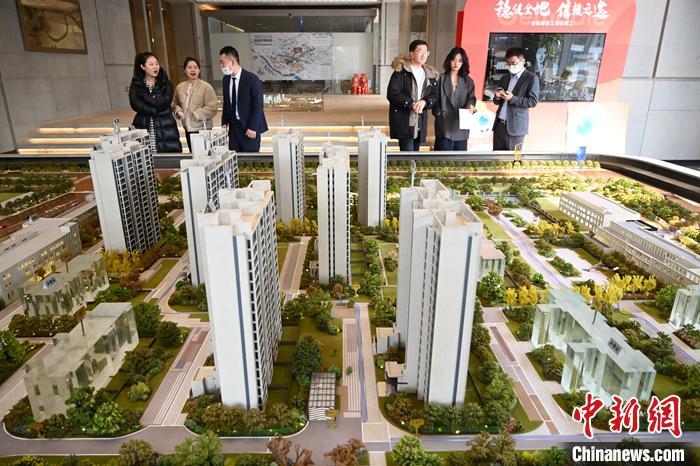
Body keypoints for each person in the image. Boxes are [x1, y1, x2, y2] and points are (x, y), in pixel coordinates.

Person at [387, 39, 439, 152]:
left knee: (416, 153)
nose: (424, 54)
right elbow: (392, 93)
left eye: (426, 52)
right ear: (411, 53)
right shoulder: (401, 72)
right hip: (405, 119)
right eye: (420, 51)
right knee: (407, 155)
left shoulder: (429, 74)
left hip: (420, 120)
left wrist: (425, 102)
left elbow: (435, 95)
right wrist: (411, 103)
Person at [129, 52, 182, 153]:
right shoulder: (136, 84)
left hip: (165, 124)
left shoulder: (165, 83)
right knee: (145, 155)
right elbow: (135, 103)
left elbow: (166, 101)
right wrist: (153, 108)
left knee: (168, 156)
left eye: (156, 63)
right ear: (142, 67)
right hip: (143, 123)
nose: (155, 67)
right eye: (151, 64)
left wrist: (146, 99)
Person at [219, 46, 268, 152]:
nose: (221, 66)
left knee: (250, 159)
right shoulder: (226, 80)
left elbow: (258, 105)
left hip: (248, 127)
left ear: (232, 61)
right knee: (234, 158)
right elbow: (227, 102)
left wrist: (253, 127)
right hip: (234, 129)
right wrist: (224, 121)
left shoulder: (252, 79)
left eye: (222, 62)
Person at [492, 47, 539, 151]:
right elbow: (496, 102)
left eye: (513, 63)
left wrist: (512, 99)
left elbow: (532, 101)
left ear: (523, 61)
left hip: (516, 128)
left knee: (515, 158)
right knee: (497, 157)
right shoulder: (505, 78)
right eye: (508, 64)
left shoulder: (531, 78)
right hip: (499, 125)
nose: (511, 66)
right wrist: (497, 96)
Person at [433, 47, 476, 151]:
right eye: (454, 60)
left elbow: (471, 97)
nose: (456, 63)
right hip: (444, 124)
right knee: (442, 159)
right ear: (449, 61)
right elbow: (434, 97)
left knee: (459, 159)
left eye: (460, 61)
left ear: (463, 63)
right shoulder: (440, 78)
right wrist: (438, 112)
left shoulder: (468, 81)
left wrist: (470, 105)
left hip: (460, 125)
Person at [172, 57, 218, 153]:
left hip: (203, 129)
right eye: (189, 67)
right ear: (185, 70)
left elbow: (213, 107)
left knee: (204, 156)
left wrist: (197, 114)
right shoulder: (180, 87)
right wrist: (178, 111)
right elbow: (174, 103)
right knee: (193, 155)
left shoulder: (206, 87)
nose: (193, 70)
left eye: (195, 67)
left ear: (199, 70)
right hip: (188, 129)